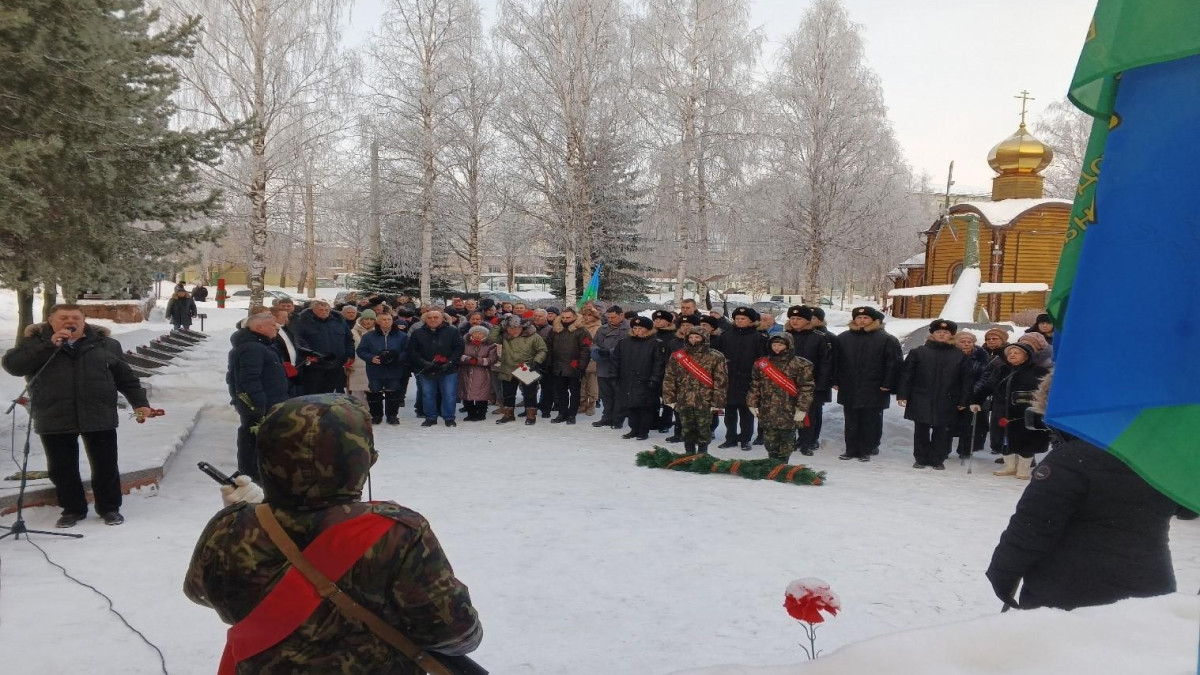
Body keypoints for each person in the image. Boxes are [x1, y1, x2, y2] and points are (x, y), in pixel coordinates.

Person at [184, 395, 482, 674]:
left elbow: (201, 593)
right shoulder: (397, 533)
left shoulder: (229, 526)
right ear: (360, 460)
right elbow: (457, 635)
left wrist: (252, 519)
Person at [985, 372, 1188, 611]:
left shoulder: (1070, 460)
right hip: (1149, 593)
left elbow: (1032, 528)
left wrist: (1002, 573)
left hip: (1069, 593)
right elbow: (1188, 508)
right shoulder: (1160, 456)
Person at [2, 304, 155, 527]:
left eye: (76, 318)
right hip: (54, 414)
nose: (70, 322)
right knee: (62, 468)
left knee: (105, 465)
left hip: (98, 413)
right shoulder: (35, 343)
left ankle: (109, 508)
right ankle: (72, 509)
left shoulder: (106, 344)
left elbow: (125, 377)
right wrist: (48, 345)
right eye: (63, 317)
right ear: (50, 321)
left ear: (84, 321)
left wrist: (140, 403)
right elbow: (13, 366)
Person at [895, 320, 973, 470]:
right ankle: (921, 458)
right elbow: (907, 375)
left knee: (942, 431)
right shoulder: (918, 352)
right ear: (932, 334)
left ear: (951, 335)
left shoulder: (959, 355)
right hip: (921, 397)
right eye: (938, 332)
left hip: (947, 399)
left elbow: (966, 381)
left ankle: (937, 459)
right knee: (921, 430)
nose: (942, 334)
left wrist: (964, 400)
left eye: (946, 332)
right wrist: (902, 395)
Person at [971, 342, 1050, 479]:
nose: (1012, 355)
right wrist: (976, 401)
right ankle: (1010, 466)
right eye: (1010, 353)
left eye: (1016, 353)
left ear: (1026, 356)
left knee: (1027, 440)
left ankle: (1023, 469)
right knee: (1003, 438)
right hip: (1002, 412)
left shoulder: (1039, 371)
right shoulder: (1001, 370)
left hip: (1026, 413)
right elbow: (987, 387)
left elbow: (1047, 391)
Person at [226, 312, 290, 481]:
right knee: (253, 439)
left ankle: (260, 472)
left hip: (269, 402)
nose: (276, 328)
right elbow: (248, 379)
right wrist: (259, 405)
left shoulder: (262, 345)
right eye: (272, 325)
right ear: (259, 327)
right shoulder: (252, 348)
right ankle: (252, 475)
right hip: (260, 406)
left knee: (262, 439)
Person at [834, 307, 902, 462]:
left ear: (873, 320)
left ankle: (867, 449)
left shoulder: (886, 339)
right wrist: (835, 380)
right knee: (851, 420)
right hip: (850, 386)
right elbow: (836, 361)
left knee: (870, 420)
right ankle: (851, 449)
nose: (862, 320)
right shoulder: (843, 338)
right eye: (859, 318)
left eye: (865, 317)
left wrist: (888, 383)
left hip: (875, 387)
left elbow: (893, 364)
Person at [747, 333, 815, 462]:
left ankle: (783, 466)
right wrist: (752, 402)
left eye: (781, 344)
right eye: (774, 344)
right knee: (770, 442)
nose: (777, 347)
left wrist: (802, 408)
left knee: (786, 442)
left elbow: (806, 388)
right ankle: (772, 464)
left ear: (789, 345)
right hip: (768, 409)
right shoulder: (761, 363)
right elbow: (755, 384)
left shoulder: (801, 364)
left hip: (789, 409)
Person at [661, 326, 728, 455]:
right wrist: (669, 398)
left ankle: (702, 454)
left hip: (705, 400)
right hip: (683, 399)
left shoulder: (716, 356)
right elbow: (669, 378)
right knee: (686, 428)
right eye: (690, 337)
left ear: (704, 338)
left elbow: (721, 381)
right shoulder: (677, 356)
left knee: (704, 429)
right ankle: (689, 454)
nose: (693, 340)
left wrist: (718, 401)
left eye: (697, 337)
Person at [715, 306, 767, 451]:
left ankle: (745, 439)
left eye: (743, 318)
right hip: (730, 380)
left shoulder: (758, 337)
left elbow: (763, 360)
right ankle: (730, 438)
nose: (739, 321)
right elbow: (719, 356)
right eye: (737, 318)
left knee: (746, 413)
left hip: (748, 380)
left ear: (750, 320)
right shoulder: (726, 336)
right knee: (730, 413)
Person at [785, 306, 833, 456]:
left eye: (798, 319)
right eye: (792, 318)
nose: (794, 321)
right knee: (788, 413)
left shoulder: (819, 337)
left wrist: (821, 384)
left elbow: (825, 363)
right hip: (787, 382)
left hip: (810, 383)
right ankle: (790, 441)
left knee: (808, 414)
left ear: (807, 320)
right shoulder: (785, 336)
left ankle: (807, 442)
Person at [611, 316, 665, 441]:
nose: (637, 331)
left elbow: (659, 364)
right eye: (635, 328)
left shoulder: (655, 343)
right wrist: (614, 375)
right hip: (628, 379)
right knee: (631, 406)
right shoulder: (624, 342)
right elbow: (616, 360)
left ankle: (643, 431)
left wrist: (654, 379)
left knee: (645, 407)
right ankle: (634, 429)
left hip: (646, 380)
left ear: (648, 329)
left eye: (640, 328)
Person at [407, 310, 465, 427]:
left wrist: (449, 362)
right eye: (429, 318)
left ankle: (449, 417)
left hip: (448, 369)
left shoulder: (452, 331)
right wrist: (423, 363)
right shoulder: (418, 333)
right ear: (425, 319)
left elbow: (459, 348)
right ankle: (430, 417)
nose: (432, 320)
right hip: (426, 368)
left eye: (436, 317)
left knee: (449, 394)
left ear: (442, 319)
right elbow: (412, 351)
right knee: (428, 394)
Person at [490, 314, 549, 424]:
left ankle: (531, 415)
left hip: (526, 367)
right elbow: (491, 338)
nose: (512, 331)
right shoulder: (505, 336)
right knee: (508, 393)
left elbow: (542, 350)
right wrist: (499, 324)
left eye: (515, 328)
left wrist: (536, 361)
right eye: (509, 328)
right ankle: (508, 414)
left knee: (530, 393)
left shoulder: (533, 336)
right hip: (508, 367)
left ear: (522, 327)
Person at [356, 311, 409, 425]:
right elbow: (361, 351)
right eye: (384, 320)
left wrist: (397, 358)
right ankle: (376, 416)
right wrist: (371, 358)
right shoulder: (368, 336)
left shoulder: (402, 336)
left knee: (393, 392)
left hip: (394, 369)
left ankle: (392, 416)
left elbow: (407, 350)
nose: (387, 322)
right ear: (378, 322)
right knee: (374, 393)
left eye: (389, 319)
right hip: (375, 369)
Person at [294, 300, 355, 395]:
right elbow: (299, 340)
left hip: (336, 365)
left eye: (326, 310)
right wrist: (309, 354)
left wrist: (350, 354)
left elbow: (349, 339)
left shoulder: (339, 321)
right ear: (313, 310)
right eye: (320, 310)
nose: (324, 312)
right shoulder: (303, 322)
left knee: (329, 395)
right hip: (314, 367)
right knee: (313, 394)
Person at [545, 307, 591, 424]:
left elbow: (586, 349)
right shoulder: (555, 329)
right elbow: (549, 347)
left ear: (574, 317)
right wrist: (549, 362)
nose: (565, 320)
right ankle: (562, 413)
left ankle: (572, 414)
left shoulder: (582, 330)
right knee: (561, 392)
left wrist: (582, 367)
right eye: (563, 317)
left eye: (568, 317)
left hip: (574, 365)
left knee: (575, 393)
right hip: (558, 366)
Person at [952, 331, 990, 460]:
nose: (966, 344)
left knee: (969, 424)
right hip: (952, 394)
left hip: (973, 394)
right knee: (948, 423)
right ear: (956, 343)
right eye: (963, 341)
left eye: (969, 342)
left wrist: (970, 391)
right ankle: (943, 449)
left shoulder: (981, 357)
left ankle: (965, 450)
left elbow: (985, 375)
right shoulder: (951, 355)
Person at [591, 306, 628, 428]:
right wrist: (596, 351)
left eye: (613, 317)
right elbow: (594, 342)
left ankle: (617, 419)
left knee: (618, 395)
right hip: (603, 366)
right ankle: (607, 417)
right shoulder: (603, 329)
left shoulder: (628, 329)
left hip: (619, 367)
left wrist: (609, 352)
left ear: (621, 315)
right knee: (605, 395)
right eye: (608, 318)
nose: (610, 320)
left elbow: (627, 347)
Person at [651, 310, 683, 437]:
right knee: (653, 397)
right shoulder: (651, 334)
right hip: (653, 369)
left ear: (669, 321)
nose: (657, 321)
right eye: (655, 320)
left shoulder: (673, 335)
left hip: (668, 370)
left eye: (661, 319)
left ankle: (666, 422)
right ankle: (653, 420)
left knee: (668, 399)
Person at [459, 326, 498, 422]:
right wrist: (468, 359)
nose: (477, 335)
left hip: (482, 374)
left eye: (480, 333)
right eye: (475, 333)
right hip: (466, 373)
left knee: (482, 395)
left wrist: (477, 361)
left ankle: (481, 414)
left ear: (485, 335)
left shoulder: (490, 345)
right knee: (467, 394)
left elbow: (492, 359)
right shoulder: (464, 344)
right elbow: (459, 356)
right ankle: (470, 413)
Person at [270, 306, 304, 396]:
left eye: (287, 317)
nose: (287, 319)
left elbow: (293, 345)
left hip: (294, 368)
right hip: (282, 370)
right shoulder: (271, 333)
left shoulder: (286, 329)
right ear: (273, 317)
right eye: (284, 317)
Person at [347, 310, 376, 401]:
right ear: (361, 319)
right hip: (356, 367)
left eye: (371, 319)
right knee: (357, 395)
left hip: (373, 366)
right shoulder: (352, 332)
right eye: (366, 319)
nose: (368, 321)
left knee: (373, 394)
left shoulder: (377, 332)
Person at [579, 305, 602, 417]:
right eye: (584, 315)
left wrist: (587, 342)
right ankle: (582, 403)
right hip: (580, 357)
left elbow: (597, 342)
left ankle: (592, 403)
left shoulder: (598, 327)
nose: (586, 317)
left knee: (592, 383)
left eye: (589, 315)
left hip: (592, 357)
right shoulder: (579, 326)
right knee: (582, 382)